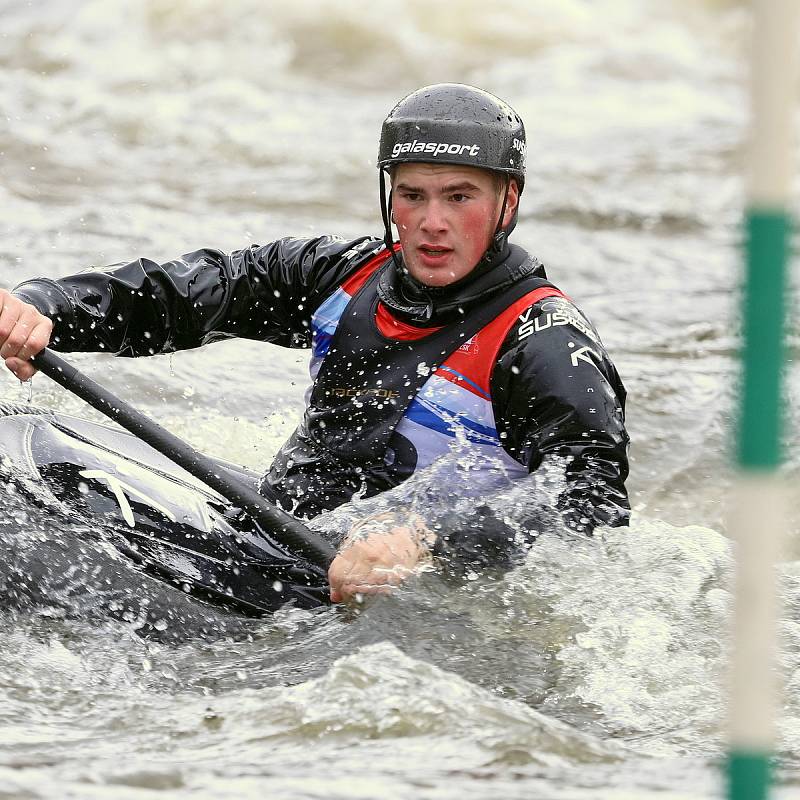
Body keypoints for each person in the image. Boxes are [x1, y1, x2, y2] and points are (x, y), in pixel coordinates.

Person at [0, 84, 630, 604]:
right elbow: (192, 293)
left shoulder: (542, 341)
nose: (432, 223)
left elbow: (590, 498)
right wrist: (43, 308)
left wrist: (428, 539)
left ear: (507, 201)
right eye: (412, 196)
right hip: (270, 536)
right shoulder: (345, 274)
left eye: (459, 198)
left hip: (377, 599)